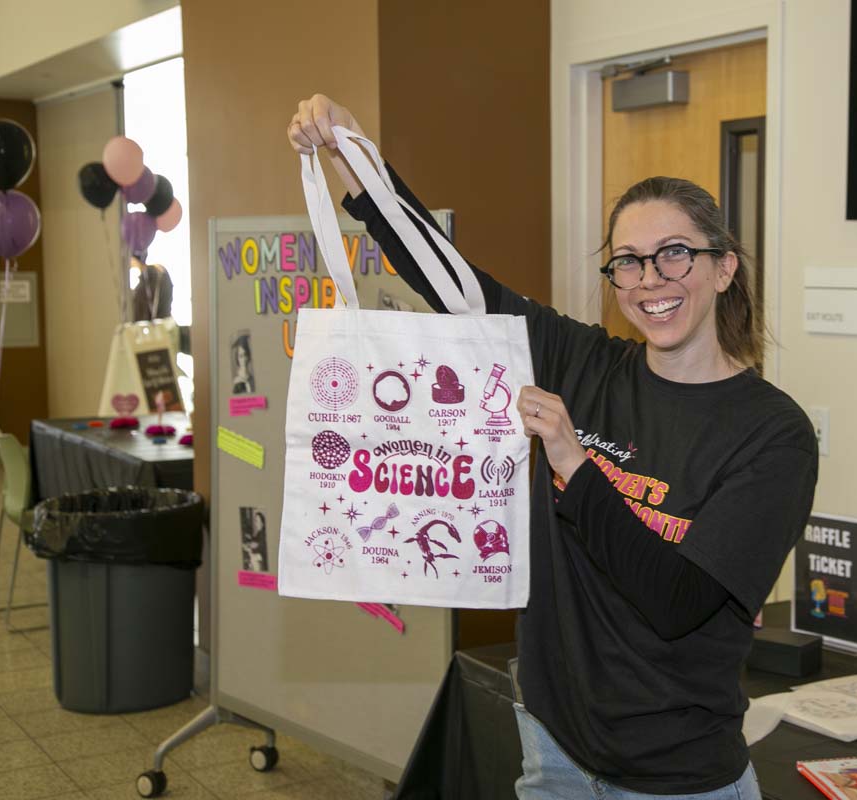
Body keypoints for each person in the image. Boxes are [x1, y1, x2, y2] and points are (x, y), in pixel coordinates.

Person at [289, 94, 818, 798]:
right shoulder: (583, 362)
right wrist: (354, 156)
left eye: (675, 254)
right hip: (553, 747)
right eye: (627, 262)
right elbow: (456, 285)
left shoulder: (773, 434)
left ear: (723, 269)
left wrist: (574, 463)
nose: (650, 280)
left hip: (677, 776)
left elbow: (678, 601)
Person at [131, 255, 174, 322]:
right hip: (163, 320)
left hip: (158, 322)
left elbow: (144, 306)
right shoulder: (157, 271)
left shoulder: (150, 275)